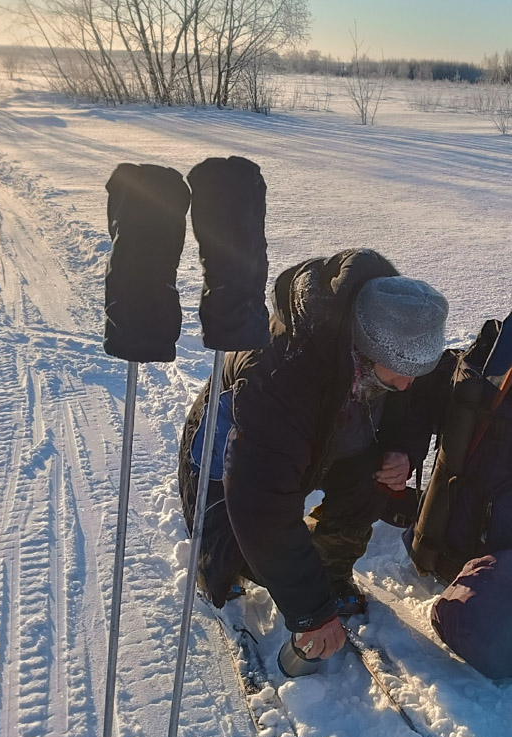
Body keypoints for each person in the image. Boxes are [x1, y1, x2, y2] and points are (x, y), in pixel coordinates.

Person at [178, 248, 447, 663]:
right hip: (227, 457)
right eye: (400, 373)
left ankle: (329, 572)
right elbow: (261, 506)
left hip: (322, 439)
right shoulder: (282, 375)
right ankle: (217, 564)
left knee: (371, 482)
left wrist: (402, 450)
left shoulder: (393, 340)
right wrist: (311, 612)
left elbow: (415, 399)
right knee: (232, 553)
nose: (408, 383)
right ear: (367, 351)